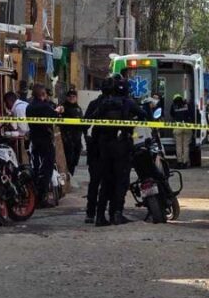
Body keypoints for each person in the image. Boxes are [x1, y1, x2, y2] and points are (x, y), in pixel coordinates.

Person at [92, 76, 147, 226]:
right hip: (122, 146)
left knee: (106, 181)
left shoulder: (104, 103)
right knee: (121, 182)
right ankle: (117, 214)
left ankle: (99, 216)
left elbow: (93, 118)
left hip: (104, 147)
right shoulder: (128, 102)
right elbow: (143, 114)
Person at [26, 84, 63, 206]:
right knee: (46, 169)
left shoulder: (29, 107)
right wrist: (57, 111)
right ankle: (42, 197)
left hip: (34, 140)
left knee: (36, 167)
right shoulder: (44, 106)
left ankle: (34, 196)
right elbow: (54, 117)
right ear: (43, 94)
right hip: (45, 141)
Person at [83, 77, 113, 224]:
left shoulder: (95, 103)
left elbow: (84, 125)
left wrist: (88, 140)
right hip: (107, 148)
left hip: (96, 146)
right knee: (106, 182)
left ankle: (91, 213)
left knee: (94, 182)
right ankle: (103, 213)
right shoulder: (113, 104)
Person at [60, 89, 86, 176]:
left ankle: (71, 174)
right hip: (67, 138)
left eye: (73, 96)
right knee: (68, 159)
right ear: (67, 97)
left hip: (77, 138)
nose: (72, 98)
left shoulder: (78, 108)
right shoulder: (63, 107)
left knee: (75, 159)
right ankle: (68, 175)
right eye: (70, 96)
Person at [170, 94, 194, 168]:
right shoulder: (187, 105)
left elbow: (172, 114)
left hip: (178, 126)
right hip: (187, 126)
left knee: (179, 146)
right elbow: (191, 114)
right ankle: (185, 162)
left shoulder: (173, 106)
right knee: (186, 146)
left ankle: (179, 162)